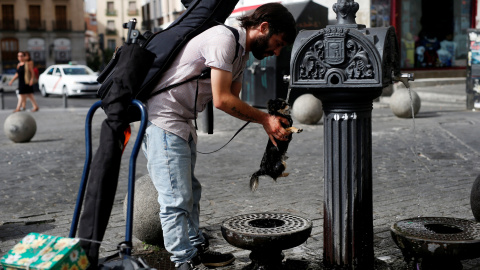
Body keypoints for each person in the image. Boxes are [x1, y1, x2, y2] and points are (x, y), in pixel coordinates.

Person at [142, 3, 296, 270]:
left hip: (181, 122)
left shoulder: (241, 52)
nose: (277, 52)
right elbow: (222, 101)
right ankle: (184, 261)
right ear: (263, 28)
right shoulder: (224, 39)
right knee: (175, 198)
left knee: (191, 191)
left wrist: (269, 117)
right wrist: (263, 119)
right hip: (163, 119)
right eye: (278, 43)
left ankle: (194, 247)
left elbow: (232, 98)